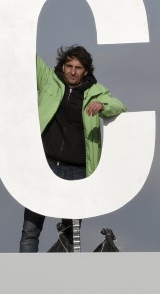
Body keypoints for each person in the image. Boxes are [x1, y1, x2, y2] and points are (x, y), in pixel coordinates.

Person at [19, 45, 126, 252]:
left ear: (86, 70)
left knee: (70, 233)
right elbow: (27, 56)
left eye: (78, 67)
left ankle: (64, 279)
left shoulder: (96, 91)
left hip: (77, 171)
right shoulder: (49, 80)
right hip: (45, 165)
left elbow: (118, 105)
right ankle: (26, 276)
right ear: (62, 65)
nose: (73, 71)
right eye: (69, 66)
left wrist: (103, 106)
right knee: (30, 229)